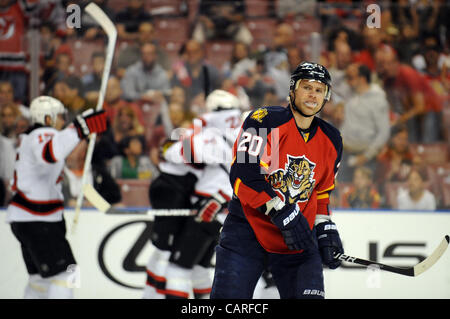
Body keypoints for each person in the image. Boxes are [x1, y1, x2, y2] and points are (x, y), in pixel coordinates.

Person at [210, 62, 344, 299]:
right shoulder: (265, 121)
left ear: (326, 96)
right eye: (306, 87)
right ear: (292, 90)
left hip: (297, 241)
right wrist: (280, 210)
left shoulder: (332, 139)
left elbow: (321, 193)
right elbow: (244, 176)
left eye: (319, 90)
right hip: (247, 233)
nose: (312, 94)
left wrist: (325, 227)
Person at [143, 90, 242, 299]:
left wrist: (177, 141)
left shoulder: (212, 137)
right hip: (226, 214)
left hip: (207, 210)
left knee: (178, 268)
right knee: (199, 268)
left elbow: (172, 153)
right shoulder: (248, 136)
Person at [5, 96, 107, 299]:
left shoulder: (32, 136)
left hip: (29, 219)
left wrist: (80, 129)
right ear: (48, 118)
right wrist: (79, 128)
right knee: (68, 273)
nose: (64, 121)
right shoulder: (42, 134)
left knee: (40, 279)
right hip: (37, 220)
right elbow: (50, 153)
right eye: (61, 117)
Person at [338, 63, 390, 182]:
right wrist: (346, 71)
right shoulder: (349, 92)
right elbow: (330, 83)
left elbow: (384, 132)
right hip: (345, 153)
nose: (348, 80)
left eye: (351, 77)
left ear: (361, 79)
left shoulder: (378, 99)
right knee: (341, 190)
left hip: (365, 156)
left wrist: (366, 156)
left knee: (363, 194)